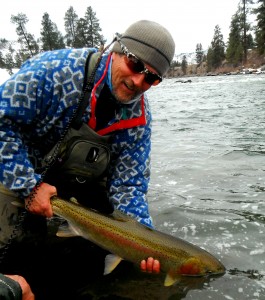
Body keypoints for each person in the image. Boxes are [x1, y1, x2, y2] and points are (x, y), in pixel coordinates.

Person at [0, 20, 175, 297]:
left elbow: (129, 185)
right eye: (135, 64)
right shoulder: (54, 71)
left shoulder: (139, 119)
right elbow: (1, 122)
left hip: (79, 185)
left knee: (107, 270)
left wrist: (143, 242)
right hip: (17, 169)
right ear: (117, 50)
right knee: (11, 251)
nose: (139, 81)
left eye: (152, 78)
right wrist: (28, 185)